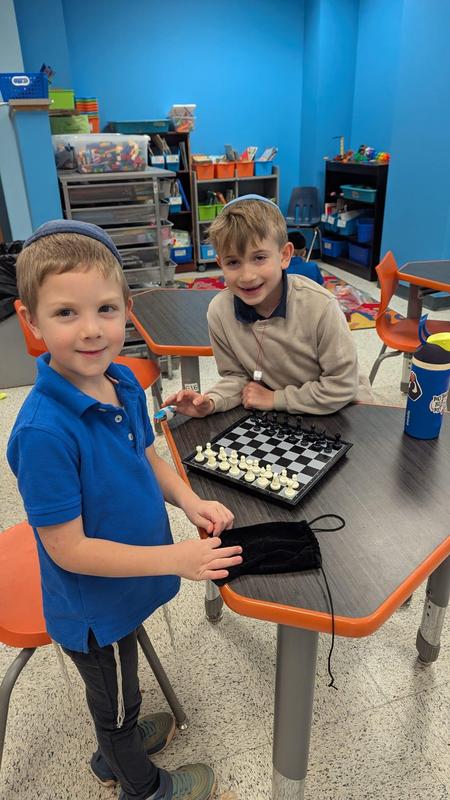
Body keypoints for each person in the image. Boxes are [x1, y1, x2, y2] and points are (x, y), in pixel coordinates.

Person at [7, 220, 242, 800]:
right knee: (109, 697)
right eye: (66, 314)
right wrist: (177, 558)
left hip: (130, 586)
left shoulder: (123, 385)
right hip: (92, 608)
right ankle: (140, 783)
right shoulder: (43, 432)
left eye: (106, 309)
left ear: (127, 309)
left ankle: (122, 739)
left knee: (123, 681)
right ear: (30, 320)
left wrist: (190, 500)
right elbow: (69, 549)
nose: (91, 330)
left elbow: (146, 456)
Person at [163, 194, 373, 418]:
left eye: (259, 258)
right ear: (220, 264)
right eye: (233, 262)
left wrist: (276, 398)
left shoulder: (321, 307)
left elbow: (342, 386)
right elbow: (237, 377)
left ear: (284, 256)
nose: (247, 276)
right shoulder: (219, 312)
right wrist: (212, 401)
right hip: (286, 411)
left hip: (346, 409)